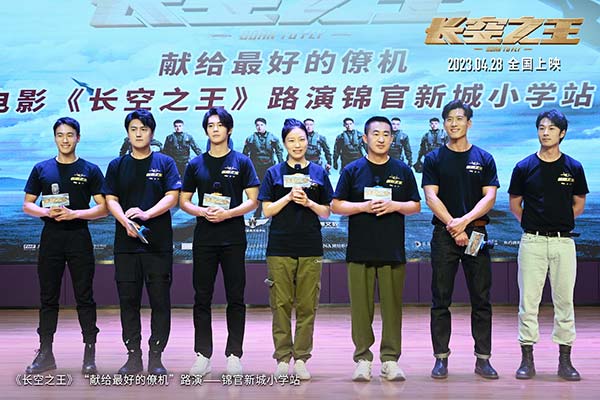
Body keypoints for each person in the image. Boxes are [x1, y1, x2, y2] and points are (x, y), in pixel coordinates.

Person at [332, 116, 421, 382]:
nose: (381, 139)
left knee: (392, 309)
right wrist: (362, 207)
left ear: (392, 139)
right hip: (359, 251)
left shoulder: (402, 170)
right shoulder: (353, 170)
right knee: (361, 309)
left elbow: (415, 205)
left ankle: (390, 360)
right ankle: (363, 359)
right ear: (365, 138)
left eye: (386, 134)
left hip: (392, 250)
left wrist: (395, 206)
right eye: (375, 134)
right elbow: (336, 205)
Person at [508, 109, 588, 381]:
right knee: (528, 302)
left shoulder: (573, 167)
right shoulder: (524, 167)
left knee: (565, 302)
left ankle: (565, 361)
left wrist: (559, 222)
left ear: (562, 133)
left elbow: (579, 203)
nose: (545, 132)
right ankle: (527, 359)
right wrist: (534, 223)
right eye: (541, 127)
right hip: (532, 241)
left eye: (552, 128)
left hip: (564, 242)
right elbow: (515, 204)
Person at [23, 117, 107, 375]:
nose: (65, 140)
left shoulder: (90, 169)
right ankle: (45, 353)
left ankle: (89, 353)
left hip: (79, 237)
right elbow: (28, 205)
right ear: (55, 138)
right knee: (48, 297)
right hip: (51, 238)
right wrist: (46, 212)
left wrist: (75, 214)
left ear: (78, 138)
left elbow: (103, 208)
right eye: (60, 135)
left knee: (85, 297)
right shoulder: (42, 169)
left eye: (70, 135)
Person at [422, 100, 499, 380]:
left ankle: (483, 359)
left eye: (459, 118)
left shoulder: (484, 158)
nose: (454, 123)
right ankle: (441, 358)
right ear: (444, 124)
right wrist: (455, 227)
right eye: (449, 119)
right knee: (440, 299)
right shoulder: (433, 159)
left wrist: (464, 222)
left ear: (469, 122)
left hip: (476, 234)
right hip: (444, 235)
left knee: (481, 298)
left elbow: (489, 197)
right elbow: (431, 196)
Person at [180, 107, 259, 377]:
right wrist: (203, 212)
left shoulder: (242, 161)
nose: (215, 129)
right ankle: (203, 355)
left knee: (236, 298)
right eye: (210, 125)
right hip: (204, 238)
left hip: (233, 238)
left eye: (220, 124)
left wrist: (229, 213)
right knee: (201, 297)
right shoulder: (195, 164)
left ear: (229, 129)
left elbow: (253, 200)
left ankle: (234, 355)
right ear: (206, 130)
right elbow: (184, 201)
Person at [105, 109, 181, 375]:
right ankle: (133, 356)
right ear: (127, 133)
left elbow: (172, 196)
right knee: (128, 301)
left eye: (144, 129)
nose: (138, 134)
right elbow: (110, 199)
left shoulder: (165, 162)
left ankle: (156, 356)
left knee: (160, 301)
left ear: (152, 132)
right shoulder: (117, 165)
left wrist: (147, 214)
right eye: (134, 129)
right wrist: (125, 222)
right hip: (125, 245)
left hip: (157, 245)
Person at [258, 118, 333, 380]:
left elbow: (327, 211)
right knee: (280, 304)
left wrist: (309, 203)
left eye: (301, 139)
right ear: (284, 143)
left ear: (308, 141)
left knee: (307, 305)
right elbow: (267, 210)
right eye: (291, 140)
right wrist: (289, 197)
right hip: (280, 246)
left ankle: (301, 358)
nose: (297, 144)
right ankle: (282, 358)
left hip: (310, 246)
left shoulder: (318, 173)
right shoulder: (274, 173)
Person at [243, 117, 284, 219]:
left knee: (270, 189)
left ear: (265, 126)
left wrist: (282, 166)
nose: (259, 127)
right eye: (257, 125)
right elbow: (245, 155)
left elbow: (279, 152)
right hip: (256, 168)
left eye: (261, 125)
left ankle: (271, 210)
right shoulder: (251, 138)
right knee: (258, 190)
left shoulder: (273, 138)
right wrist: (245, 168)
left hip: (269, 167)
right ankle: (258, 211)